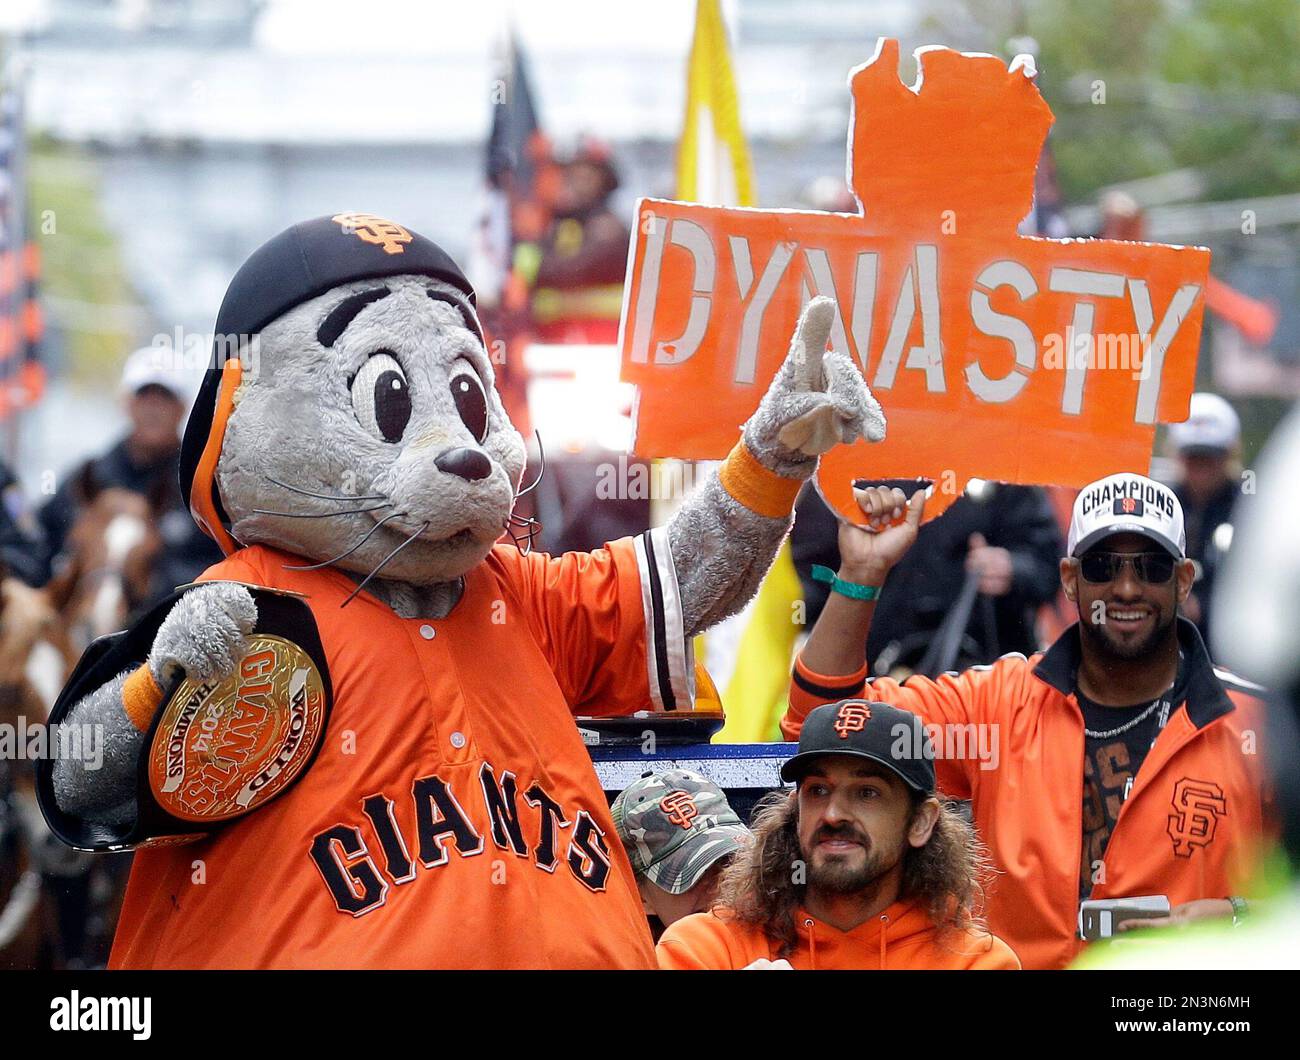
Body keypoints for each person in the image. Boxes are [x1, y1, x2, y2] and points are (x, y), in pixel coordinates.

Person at [784, 472, 1270, 969]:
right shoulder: (996, 705)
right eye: (1102, 566)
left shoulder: (1258, 725)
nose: (1126, 587)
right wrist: (861, 576)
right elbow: (825, 725)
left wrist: (1236, 916)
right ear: (1069, 578)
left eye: (1151, 568)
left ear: (1183, 579)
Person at [656, 701, 1018, 970]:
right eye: (818, 790)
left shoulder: (975, 961)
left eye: (867, 793)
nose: (833, 814)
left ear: (920, 822)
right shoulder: (707, 948)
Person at [791, 481, 1062, 676]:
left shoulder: (994, 459)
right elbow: (805, 576)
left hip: (982, 680)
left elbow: (1051, 567)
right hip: (869, 674)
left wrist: (1012, 567)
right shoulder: (853, 462)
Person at [37, 347, 223, 604]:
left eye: (164, 398)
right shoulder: (88, 478)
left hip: (172, 621)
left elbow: (222, 564)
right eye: (144, 396)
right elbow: (42, 539)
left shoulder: (202, 485)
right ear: (127, 403)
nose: (153, 408)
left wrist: (156, 580)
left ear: (182, 408)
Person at [611, 769, 751, 935]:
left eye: (729, 861)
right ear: (639, 896)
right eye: (696, 873)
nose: (721, 884)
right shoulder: (624, 959)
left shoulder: (781, 937)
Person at [1168, 392, 1243, 645]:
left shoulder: (1246, 509)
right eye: (1194, 458)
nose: (1201, 469)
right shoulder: (1163, 506)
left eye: (1209, 459)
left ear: (1228, 456)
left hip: (1233, 635)